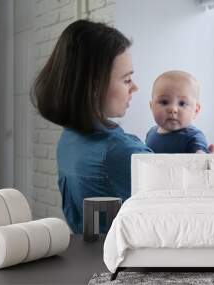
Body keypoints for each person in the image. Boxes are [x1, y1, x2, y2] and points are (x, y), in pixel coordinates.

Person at [31, 20, 152, 234]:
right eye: (126, 79)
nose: (135, 87)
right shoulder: (118, 152)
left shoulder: (69, 140)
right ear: (95, 86)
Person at [145, 70, 209, 153]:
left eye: (182, 103)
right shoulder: (151, 133)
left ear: (196, 110)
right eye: (164, 102)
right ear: (151, 106)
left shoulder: (194, 137)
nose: (173, 109)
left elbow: (200, 160)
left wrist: (204, 156)